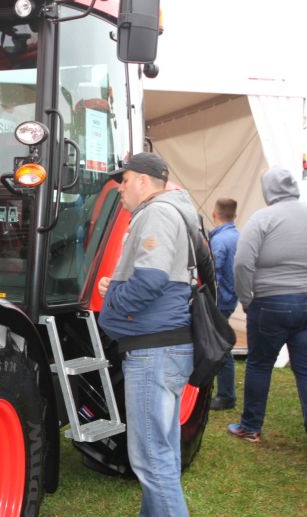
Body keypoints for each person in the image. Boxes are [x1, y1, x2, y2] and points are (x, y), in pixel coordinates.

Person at [98, 152, 214, 517]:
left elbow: (150, 280)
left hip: (154, 352)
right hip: (164, 348)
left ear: (144, 182)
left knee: (151, 461)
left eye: (126, 180)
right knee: (160, 453)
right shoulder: (174, 211)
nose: (121, 188)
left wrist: (113, 300)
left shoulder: (157, 213)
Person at [228, 166, 307, 463]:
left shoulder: (262, 218)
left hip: (272, 302)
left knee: (260, 365)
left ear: (268, 191)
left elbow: (242, 264)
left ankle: (250, 428)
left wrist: (246, 298)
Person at [209, 198, 240, 410]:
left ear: (214, 214)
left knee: (220, 346)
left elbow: (213, 272)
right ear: (234, 215)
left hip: (220, 299)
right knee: (220, 344)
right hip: (231, 297)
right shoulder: (238, 236)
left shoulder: (219, 241)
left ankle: (226, 395)